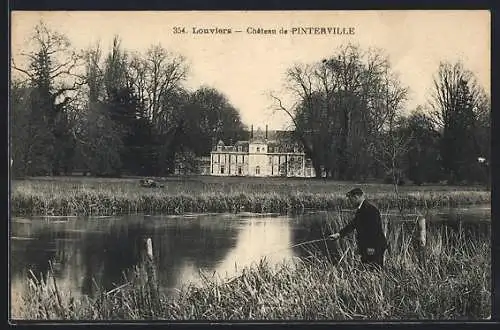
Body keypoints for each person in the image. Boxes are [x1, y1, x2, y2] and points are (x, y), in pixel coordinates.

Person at [330, 188, 388, 269]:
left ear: (356, 197)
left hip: (374, 247)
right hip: (369, 247)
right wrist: (338, 234)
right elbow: (353, 224)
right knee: (368, 271)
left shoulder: (370, 210)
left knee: (374, 270)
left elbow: (374, 231)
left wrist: (371, 248)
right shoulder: (362, 209)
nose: (350, 202)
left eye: (351, 199)